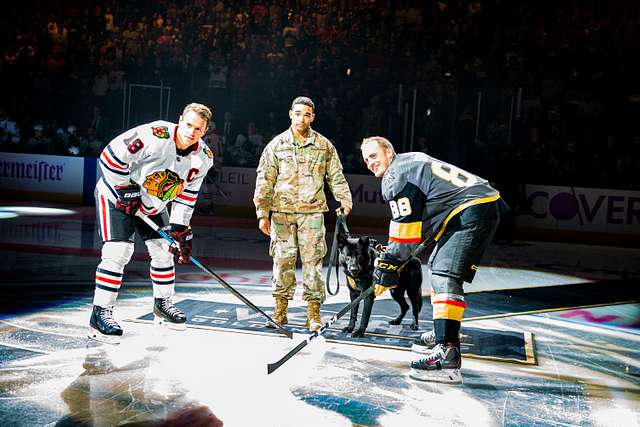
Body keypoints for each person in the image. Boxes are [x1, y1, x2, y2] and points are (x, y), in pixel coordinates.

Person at [360, 136, 508, 384]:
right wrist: (393, 263)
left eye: (373, 156)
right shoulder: (409, 163)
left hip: (470, 210)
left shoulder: (396, 176)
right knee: (440, 264)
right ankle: (444, 331)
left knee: (443, 273)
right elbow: (416, 233)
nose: (369, 163)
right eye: (365, 160)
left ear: (388, 151)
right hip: (475, 206)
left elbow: (405, 237)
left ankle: (448, 353)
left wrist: (387, 266)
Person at [89, 103, 214, 344]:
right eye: (188, 125)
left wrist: (180, 227)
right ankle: (100, 314)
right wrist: (125, 188)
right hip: (116, 197)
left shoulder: (204, 158)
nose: (191, 132)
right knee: (118, 251)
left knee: (164, 251)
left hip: (153, 204)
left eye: (198, 128)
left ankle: (162, 305)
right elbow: (110, 156)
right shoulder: (155, 135)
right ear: (180, 120)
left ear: (205, 130)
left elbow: (188, 195)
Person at [254, 96, 353, 332]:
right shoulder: (276, 145)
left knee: (313, 263)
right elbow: (264, 180)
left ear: (313, 117)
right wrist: (262, 212)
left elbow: (335, 175)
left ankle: (313, 314)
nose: (302, 118)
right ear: (290, 114)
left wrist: (344, 200)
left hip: (312, 213)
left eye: (307, 114)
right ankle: (280, 312)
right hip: (281, 214)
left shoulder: (324, 146)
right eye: (298, 113)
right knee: (282, 262)